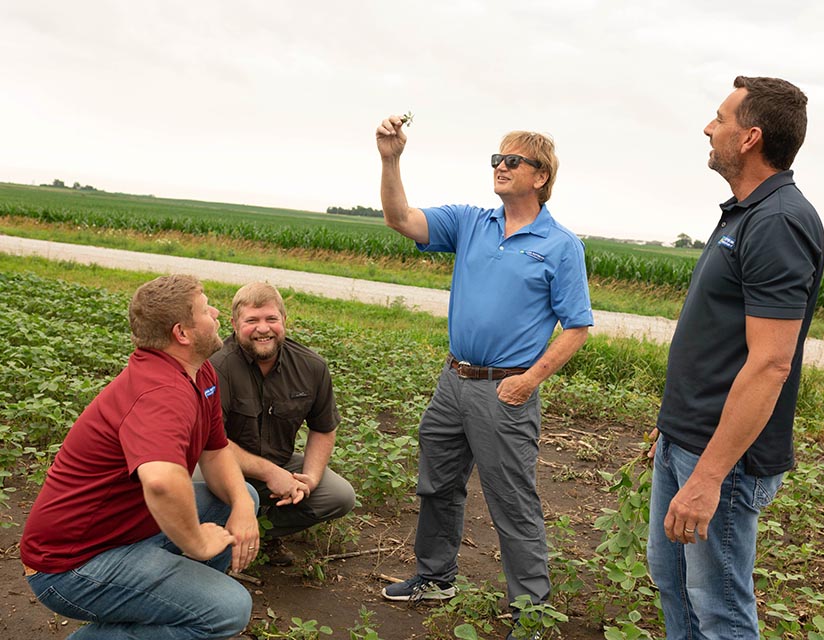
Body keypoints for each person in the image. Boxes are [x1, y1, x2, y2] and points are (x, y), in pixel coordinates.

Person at [375, 115, 593, 639]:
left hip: (506, 389)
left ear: (540, 176)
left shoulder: (560, 245)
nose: (500, 167)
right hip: (453, 382)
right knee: (438, 485)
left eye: (512, 161)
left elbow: (577, 327)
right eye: (497, 159)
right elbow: (400, 217)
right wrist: (391, 158)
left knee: (512, 500)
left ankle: (532, 612)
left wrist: (529, 380)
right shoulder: (472, 222)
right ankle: (435, 576)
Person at [646, 76, 824, 639]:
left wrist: (709, 474)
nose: (708, 126)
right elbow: (720, 341)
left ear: (749, 138)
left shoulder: (776, 222)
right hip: (687, 440)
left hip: (720, 459)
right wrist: (671, 428)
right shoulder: (747, 212)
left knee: (719, 609)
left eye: (719, 118)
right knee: (674, 584)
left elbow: (771, 363)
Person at [20, 274, 260, 639]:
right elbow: (163, 482)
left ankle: (169, 607)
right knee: (229, 610)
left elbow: (216, 451)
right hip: (70, 566)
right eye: (206, 307)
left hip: (126, 531)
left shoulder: (199, 371)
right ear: (183, 333)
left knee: (241, 497)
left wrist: (242, 503)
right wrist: (197, 542)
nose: (215, 312)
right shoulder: (160, 393)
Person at [209, 282, 355, 566]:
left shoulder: (311, 367)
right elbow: (211, 443)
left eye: (271, 319)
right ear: (234, 324)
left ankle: (260, 533)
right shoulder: (216, 367)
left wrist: (309, 478)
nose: (263, 328)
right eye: (252, 320)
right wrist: (269, 473)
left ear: (284, 321)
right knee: (222, 493)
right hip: (217, 465)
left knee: (339, 496)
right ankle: (217, 541)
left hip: (278, 464)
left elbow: (324, 428)